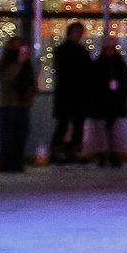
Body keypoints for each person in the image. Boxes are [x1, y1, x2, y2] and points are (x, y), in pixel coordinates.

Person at [50, 20, 93, 164]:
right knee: (64, 124)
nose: (79, 35)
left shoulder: (80, 51)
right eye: (77, 32)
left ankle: (71, 151)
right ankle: (59, 152)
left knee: (77, 124)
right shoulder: (65, 50)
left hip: (75, 94)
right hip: (68, 93)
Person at [0, 33, 37, 172]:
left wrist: (30, 94)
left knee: (21, 133)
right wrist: (19, 62)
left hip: (23, 104)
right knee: (8, 135)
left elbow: (32, 82)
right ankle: (6, 162)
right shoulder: (5, 62)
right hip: (9, 105)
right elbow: (7, 78)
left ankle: (17, 161)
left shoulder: (27, 65)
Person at [88, 35, 127, 167]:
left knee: (114, 130)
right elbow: (93, 84)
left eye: (112, 47)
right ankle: (103, 154)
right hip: (101, 102)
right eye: (108, 48)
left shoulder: (119, 65)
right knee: (102, 130)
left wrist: (120, 94)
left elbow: (125, 84)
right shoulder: (98, 65)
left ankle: (114, 154)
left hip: (115, 102)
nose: (110, 50)